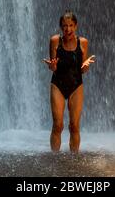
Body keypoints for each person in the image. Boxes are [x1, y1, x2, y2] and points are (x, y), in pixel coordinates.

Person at [43, 11, 95, 153]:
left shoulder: (83, 42)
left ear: (76, 26)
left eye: (71, 25)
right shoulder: (55, 41)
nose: (68, 29)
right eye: (65, 26)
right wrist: (52, 66)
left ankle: (74, 160)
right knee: (58, 125)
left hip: (76, 85)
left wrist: (85, 67)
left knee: (74, 126)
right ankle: (54, 157)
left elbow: (82, 69)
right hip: (58, 84)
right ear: (61, 27)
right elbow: (53, 67)